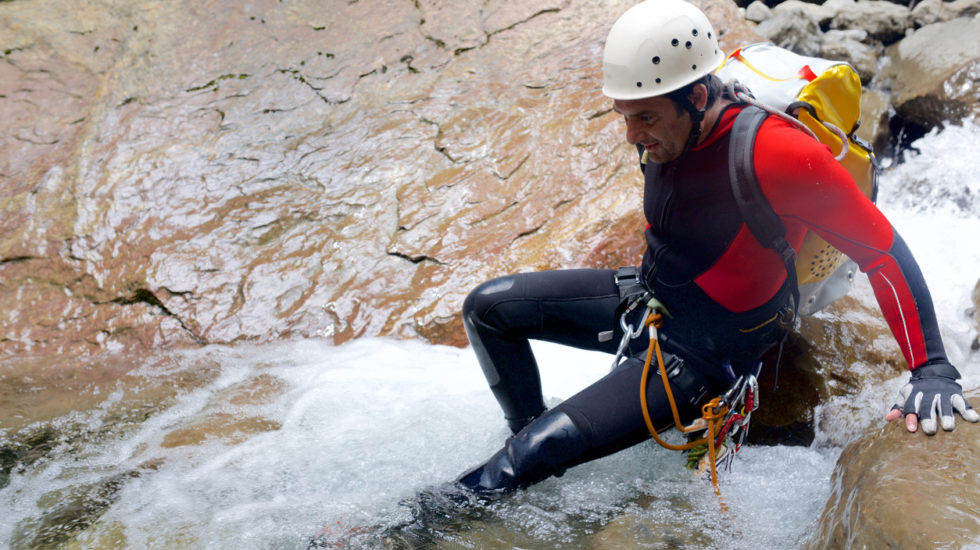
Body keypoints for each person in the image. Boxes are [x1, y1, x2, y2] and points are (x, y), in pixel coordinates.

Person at [454, 0, 978, 494]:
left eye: (646, 118)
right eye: (624, 116)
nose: (632, 136)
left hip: (704, 357)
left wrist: (932, 368)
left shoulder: (776, 152)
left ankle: (428, 518)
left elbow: (882, 250)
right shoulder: (671, 126)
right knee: (488, 308)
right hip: (651, 301)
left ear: (698, 97)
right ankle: (525, 435)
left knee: (526, 459)